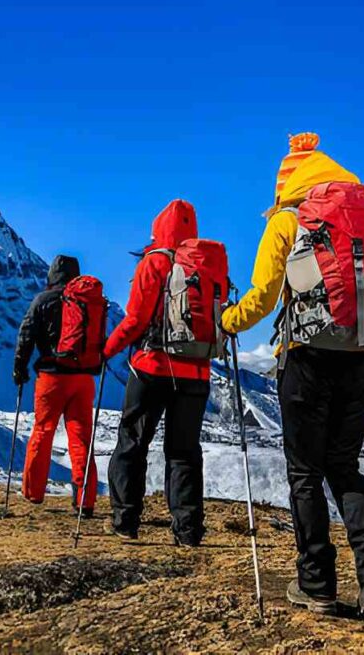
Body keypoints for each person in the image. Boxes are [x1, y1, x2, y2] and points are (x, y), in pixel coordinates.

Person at [221, 133, 364, 618]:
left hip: (306, 359)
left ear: (288, 181)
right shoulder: (363, 218)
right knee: (343, 467)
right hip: (359, 357)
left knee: (304, 473)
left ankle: (316, 584)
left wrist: (227, 322)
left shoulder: (286, 221)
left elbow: (262, 295)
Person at [101, 199, 210, 547]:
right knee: (184, 451)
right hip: (196, 371)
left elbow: (134, 321)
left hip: (152, 368)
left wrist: (107, 350)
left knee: (133, 442)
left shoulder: (155, 262)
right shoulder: (205, 266)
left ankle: (125, 520)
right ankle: (188, 530)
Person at [13, 255, 99, 516]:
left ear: (51, 275)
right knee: (81, 437)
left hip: (51, 378)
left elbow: (26, 335)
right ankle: (85, 501)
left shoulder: (43, 300)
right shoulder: (87, 302)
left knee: (43, 431)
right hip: (83, 379)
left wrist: (20, 368)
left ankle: (33, 493)